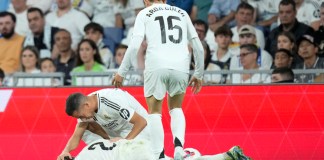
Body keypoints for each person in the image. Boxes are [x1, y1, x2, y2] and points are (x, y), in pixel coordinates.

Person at [112, 1, 204, 159]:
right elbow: (198, 46)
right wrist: (199, 74)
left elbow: (134, 46)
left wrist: (121, 72)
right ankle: (179, 149)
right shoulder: (182, 13)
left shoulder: (144, 13)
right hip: (181, 65)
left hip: (156, 65)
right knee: (176, 108)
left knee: (154, 113)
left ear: (146, 1)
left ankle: (158, 155)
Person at [58, 88, 158, 160]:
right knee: (82, 127)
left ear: (86, 105)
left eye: (81, 116)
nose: (82, 118)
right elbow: (77, 135)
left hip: (138, 127)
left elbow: (141, 122)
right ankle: (108, 153)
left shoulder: (111, 101)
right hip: (117, 130)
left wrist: (124, 142)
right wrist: (65, 151)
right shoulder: (86, 108)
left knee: (140, 155)